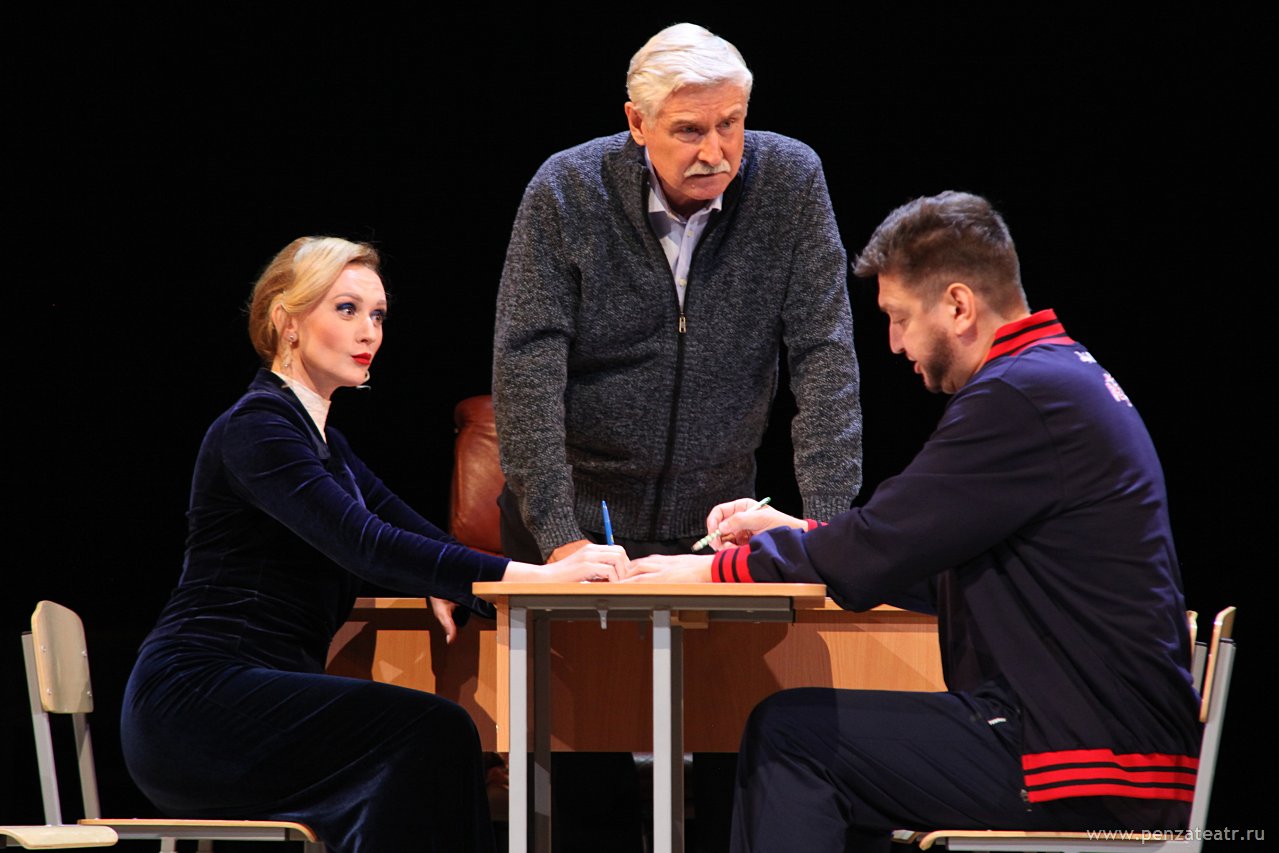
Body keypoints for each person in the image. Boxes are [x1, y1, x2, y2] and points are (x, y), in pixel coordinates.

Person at [630, 192, 1200, 852]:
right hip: (1106, 742)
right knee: (829, 743)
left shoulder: (1019, 395)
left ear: (958, 306)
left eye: (899, 318)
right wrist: (802, 537)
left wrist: (712, 569)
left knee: (793, 735)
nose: (894, 343)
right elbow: (924, 557)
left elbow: (882, 543)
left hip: (1087, 759)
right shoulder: (1056, 374)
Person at [120, 237, 628, 853]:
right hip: (197, 707)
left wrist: (448, 577)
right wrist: (534, 577)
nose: (370, 332)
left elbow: (410, 533)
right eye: (347, 309)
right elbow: (366, 544)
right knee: (434, 730)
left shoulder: (324, 443)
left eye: (379, 315)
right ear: (286, 322)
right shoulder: (257, 428)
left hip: (250, 700)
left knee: (414, 757)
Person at [493, 22, 862, 565]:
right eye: (689, 130)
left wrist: (825, 527)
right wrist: (558, 535)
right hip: (578, 522)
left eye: (729, 124)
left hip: (715, 528)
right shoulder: (568, 189)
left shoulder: (791, 181)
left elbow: (825, 353)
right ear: (638, 123)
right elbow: (527, 369)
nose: (715, 151)